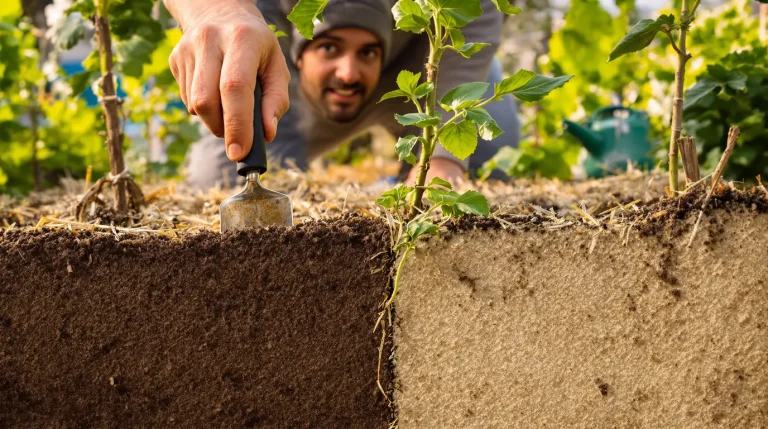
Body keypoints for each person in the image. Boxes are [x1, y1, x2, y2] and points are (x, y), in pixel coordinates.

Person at [164, 0, 520, 190]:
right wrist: (217, 9)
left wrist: (442, 163)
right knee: (222, 182)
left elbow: (478, 10)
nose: (348, 74)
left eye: (360, 55)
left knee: (487, 153)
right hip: (285, 78)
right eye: (331, 48)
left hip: (414, 68)